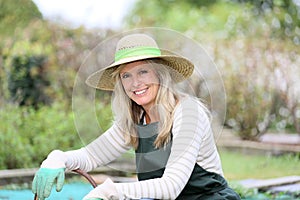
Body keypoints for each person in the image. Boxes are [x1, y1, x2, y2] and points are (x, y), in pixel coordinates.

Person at [32, 33, 240, 200]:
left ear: (159, 74)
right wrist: (58, 158)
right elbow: (90, 156)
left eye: (143, 72)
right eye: (126, 75)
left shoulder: (188, 113)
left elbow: (171, 187)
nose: (135, 83)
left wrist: (111, 191)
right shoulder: (135, 120)